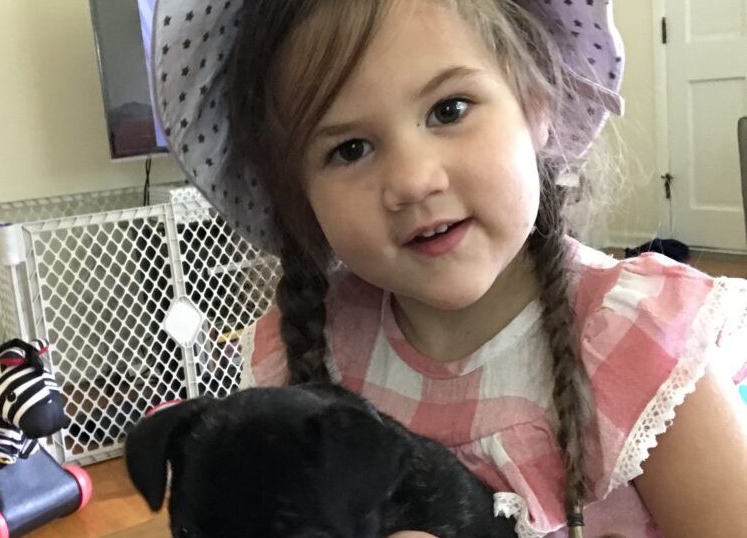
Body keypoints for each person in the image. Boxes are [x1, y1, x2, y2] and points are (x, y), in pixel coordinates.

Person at [151, 0, 747, 536]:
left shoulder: (640, 352)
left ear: (537, 100)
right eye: (349, 148)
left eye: (449, 109)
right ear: (298, 195)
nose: (412, 180)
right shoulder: (310, 348)